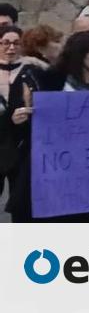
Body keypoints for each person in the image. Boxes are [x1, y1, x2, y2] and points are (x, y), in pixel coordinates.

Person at [7, 31, 89, 222]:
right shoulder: (46, 83)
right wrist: (19, 120)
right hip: (52, 181)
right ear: (79, 54)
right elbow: (26, 132)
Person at [1, 25, 46, 203]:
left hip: (21, 144)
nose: (11, 48)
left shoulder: (33, 71)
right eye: (5, 43)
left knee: (20, 198)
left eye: (16, 43)